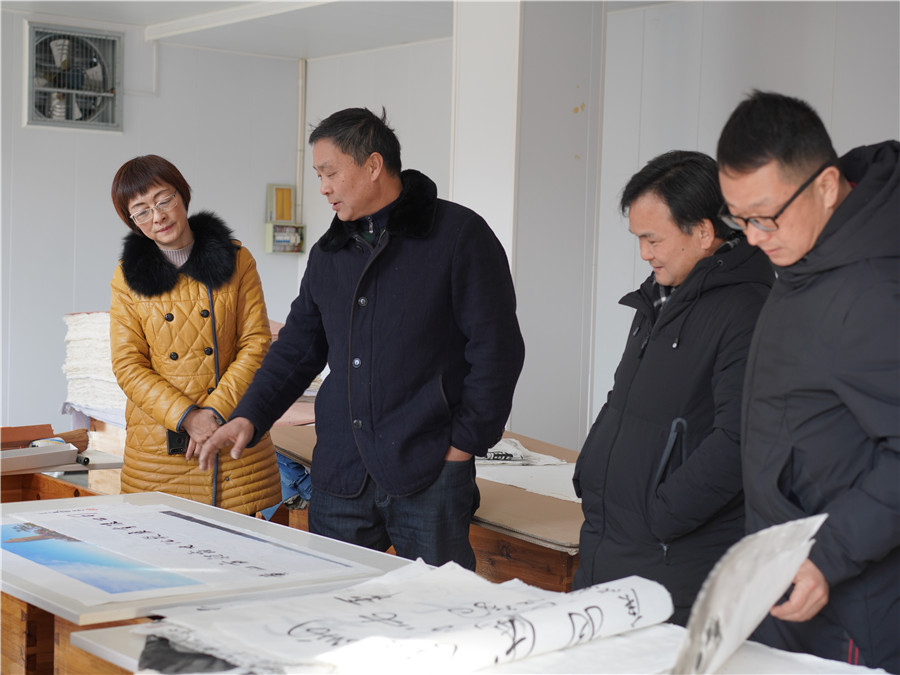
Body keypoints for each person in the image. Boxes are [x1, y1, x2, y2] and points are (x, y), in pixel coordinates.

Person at [198, 108, 525, 569]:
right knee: (329, 595)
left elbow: (497, 351)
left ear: (373, 165)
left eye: (330, 173)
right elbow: (297, 350)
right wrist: (250, 416)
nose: (323, 187)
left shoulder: (458, 236)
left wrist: (464, 445)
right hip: (341, 474)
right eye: (318, 176)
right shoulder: (330, 253)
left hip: (429, 469)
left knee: (436, 605)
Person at [716, 91, 899, 673]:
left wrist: (830, 557)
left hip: (846, 604)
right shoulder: (808, 254)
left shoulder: (871, 291)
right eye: (737, 217)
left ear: (825, 186)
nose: (752, 236)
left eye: (764, 216)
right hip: (787, 576)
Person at [572, 150, 774, 625]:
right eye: (638, 239)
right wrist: (592, 470)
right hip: (610, 544)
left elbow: (741, 440)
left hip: (672, 561)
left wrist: (662, 514)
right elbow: (623, 401)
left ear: (703, 232)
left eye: (653, 239)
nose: (644, 253)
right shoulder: (658, 299)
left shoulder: (747, 311)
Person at [109, 155, 281, 515]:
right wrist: (187, 416)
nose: (157, 216)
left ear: (182, 195)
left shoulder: (238, 260)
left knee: (241, 543)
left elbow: (256, 343)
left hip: (232, 435)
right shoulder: (127, 277)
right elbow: (128, 365)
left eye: (163, 200)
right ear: (132, 221)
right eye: (141, 211)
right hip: (161, 448)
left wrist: (214, 413)